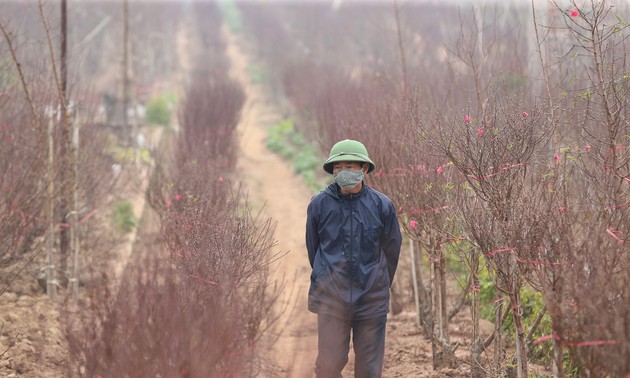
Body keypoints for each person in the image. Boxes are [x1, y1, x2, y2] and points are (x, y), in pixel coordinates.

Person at [305, 139, 402, 378]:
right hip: (332, 299)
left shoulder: (381, 205)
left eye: (349, 166)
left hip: (371, 299)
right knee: (327, 366)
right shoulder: (319, 204)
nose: (343, 172)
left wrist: (378, 282)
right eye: (337, 168)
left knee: (369, 369)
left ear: (364, 169)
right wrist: (327, 278)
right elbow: (313, 248)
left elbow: (392, 249)